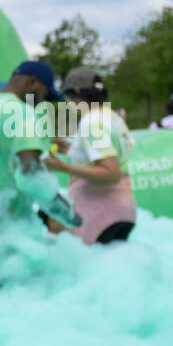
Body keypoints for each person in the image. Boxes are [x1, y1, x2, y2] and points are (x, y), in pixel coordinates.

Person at [0, 60, 81, 290]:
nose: (41, 102)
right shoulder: (23, 114)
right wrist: (67, 213)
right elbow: (30, 175)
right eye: (43, 95)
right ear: (33, 84)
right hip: (12, 239)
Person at [44, 66, 137, 245]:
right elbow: (108, 156)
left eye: (67, 98)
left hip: (101, 215)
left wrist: (63, 167)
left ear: (76, 93)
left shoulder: (92, 123)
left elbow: (111, 172)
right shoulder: (112, 117)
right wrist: (72, 149)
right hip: (122, 212)